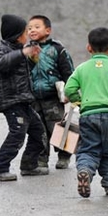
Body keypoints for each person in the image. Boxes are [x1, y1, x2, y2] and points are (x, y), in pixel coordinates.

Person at [65, 27, 108, 198]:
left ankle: (85, 170)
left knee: (88, 149)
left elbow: (69, 89)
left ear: (89, 48)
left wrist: (79, 101)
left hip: (88, 115)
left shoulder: (82, 68)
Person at [0, 14, 48, 181]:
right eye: (25, 31)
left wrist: (33, 58)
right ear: (16, 35)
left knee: (38, 131)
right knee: (17, 134)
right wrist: (23, 53)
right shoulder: (3, 50)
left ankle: (29, 165)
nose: (28, 34)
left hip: (24, 100)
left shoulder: (19, 49)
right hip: (11, 101)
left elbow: (22, 70)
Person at [27, 15, 75, 170]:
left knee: (57, 127)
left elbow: (68, 72)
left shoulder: (57, 49)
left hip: (53, 97)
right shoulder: (26, 51)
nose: (32, 30)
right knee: (38, 130)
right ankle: (41, 159)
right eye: (29, 28)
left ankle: (64, 155)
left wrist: (69, 91)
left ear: (47, 30)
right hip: (34, 97)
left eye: (36, 26)